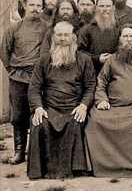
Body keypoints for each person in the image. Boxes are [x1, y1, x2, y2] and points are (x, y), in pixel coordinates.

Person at [86, 24, 132, 177]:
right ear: (119, 39)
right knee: (95, 118)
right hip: (113, 105)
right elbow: (101, 82)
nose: (129, 40)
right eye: (125, 36)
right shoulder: (112, 60)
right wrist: (102, 99)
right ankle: (104, 168)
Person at [27, 22, 96, 179]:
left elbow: (91, 87)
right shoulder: (44, 61)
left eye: (66, 35)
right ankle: (42, 170)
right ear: (53, 37)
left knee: (76, 122)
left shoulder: (84, 60)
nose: (63, 39)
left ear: (73, 37)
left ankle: (75, 169)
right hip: (49, 107)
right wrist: (38, 108)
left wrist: (83, 106)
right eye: (59, 35)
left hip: (74, 106)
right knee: (39, 123)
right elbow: (34, 89)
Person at [0, 0, 49, 164]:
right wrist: (13, 70)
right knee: (18, 116)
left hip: (41, 79)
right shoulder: (14, 29)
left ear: (42, 7)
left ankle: (38, 153)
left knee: (40, 113)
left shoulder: (47, 28)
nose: (35, 9)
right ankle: (19, 151)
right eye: (32, 5)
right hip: (19, 78)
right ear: (25, 6)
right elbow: (4, 52)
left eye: (38, 5)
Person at [78, 0, 121, 74]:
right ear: (96, 8)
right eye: (101, 6)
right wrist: (97, 58)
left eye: (108, 6)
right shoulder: (87, 29)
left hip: (116, 72)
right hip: (92, 71)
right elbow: (80, 51)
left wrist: (114, 58)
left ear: (113, 8)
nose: (105, 9)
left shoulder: (121, 28)